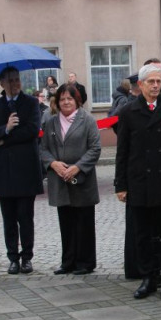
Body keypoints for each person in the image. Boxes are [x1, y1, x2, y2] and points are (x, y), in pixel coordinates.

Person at [115, 63, 161, 300]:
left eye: (159, 82)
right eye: (151, 82)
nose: (156, 86)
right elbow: (122, 151)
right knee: (143, 234)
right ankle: (149, 277)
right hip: (139, 182)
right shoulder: (128, 112)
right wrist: (121, 185)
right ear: (141, 85)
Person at [0, 67, 44, 274]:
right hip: (4, 170)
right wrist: (6, 129)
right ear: (2, 83)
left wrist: (5, 140)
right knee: (8, 218)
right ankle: (13, 258)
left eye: (17, 80)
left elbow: (32, 131)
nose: (14, 84)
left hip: (26, 167)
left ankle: (27, 257)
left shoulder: (31, 103)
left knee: (25, 217)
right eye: (10, 81)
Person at [42, 84, 102, 275]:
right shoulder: (51, 122)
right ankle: (68, 261)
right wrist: (53, 164)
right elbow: (43, 149)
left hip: (81, 179)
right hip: (60, 179)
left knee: (83, 222)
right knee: (65, 222)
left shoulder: (88, 120)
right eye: (62, 99)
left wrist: (78, 167)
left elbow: (95, 148)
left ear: (77, 101)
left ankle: (85, 262)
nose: (66, 102)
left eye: (70, 98)